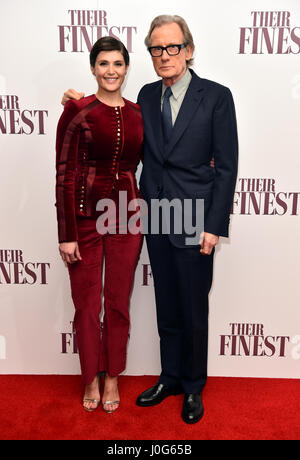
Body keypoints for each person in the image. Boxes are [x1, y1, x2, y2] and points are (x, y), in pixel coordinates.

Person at [62, 14, 238, 424]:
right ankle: (170, 376)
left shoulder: (216, 96)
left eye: (172, 47)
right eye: (156, 49)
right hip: (155, 216)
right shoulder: (144, 94)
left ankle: (193, 387)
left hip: (195, 219)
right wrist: (80, 104)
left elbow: (227, 167)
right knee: (167, 307)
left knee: (194, 308)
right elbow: (115, 126)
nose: (164, 55)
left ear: (188, 51)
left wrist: (214, 225)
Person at [56, 37, 143, 413]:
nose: (111, 71)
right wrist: (67, 235)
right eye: (103, 64)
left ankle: (112, 377)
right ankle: (90, 376)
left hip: (127, 217)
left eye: (118, 64)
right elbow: (64, 174)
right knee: (87, 304)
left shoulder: (139, 112)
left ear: (127, 68)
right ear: (93, 68)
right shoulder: (77, 110)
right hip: (85, 220)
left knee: (118, 302)